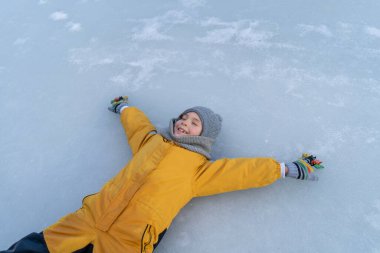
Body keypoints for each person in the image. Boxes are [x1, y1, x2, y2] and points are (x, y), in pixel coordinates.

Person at [1, 96, 324, 253]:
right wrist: (125, 108)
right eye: (184, 117)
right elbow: (137, 126)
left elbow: (241, 172)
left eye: (194, 122)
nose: (184, 122)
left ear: (205, 135)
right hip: (86, 220)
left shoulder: (200, 170)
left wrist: (288, 168)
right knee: (37, 248)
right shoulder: (150, 141)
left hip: (126, 241)